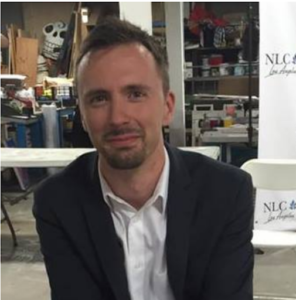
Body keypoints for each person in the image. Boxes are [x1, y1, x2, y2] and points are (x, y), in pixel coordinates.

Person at [33, 17, 254, 300]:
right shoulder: (58, 202)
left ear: (167, 106)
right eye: (99, 99)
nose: (118, 118)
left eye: (135, 94)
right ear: (83, 118)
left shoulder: (226, 192)